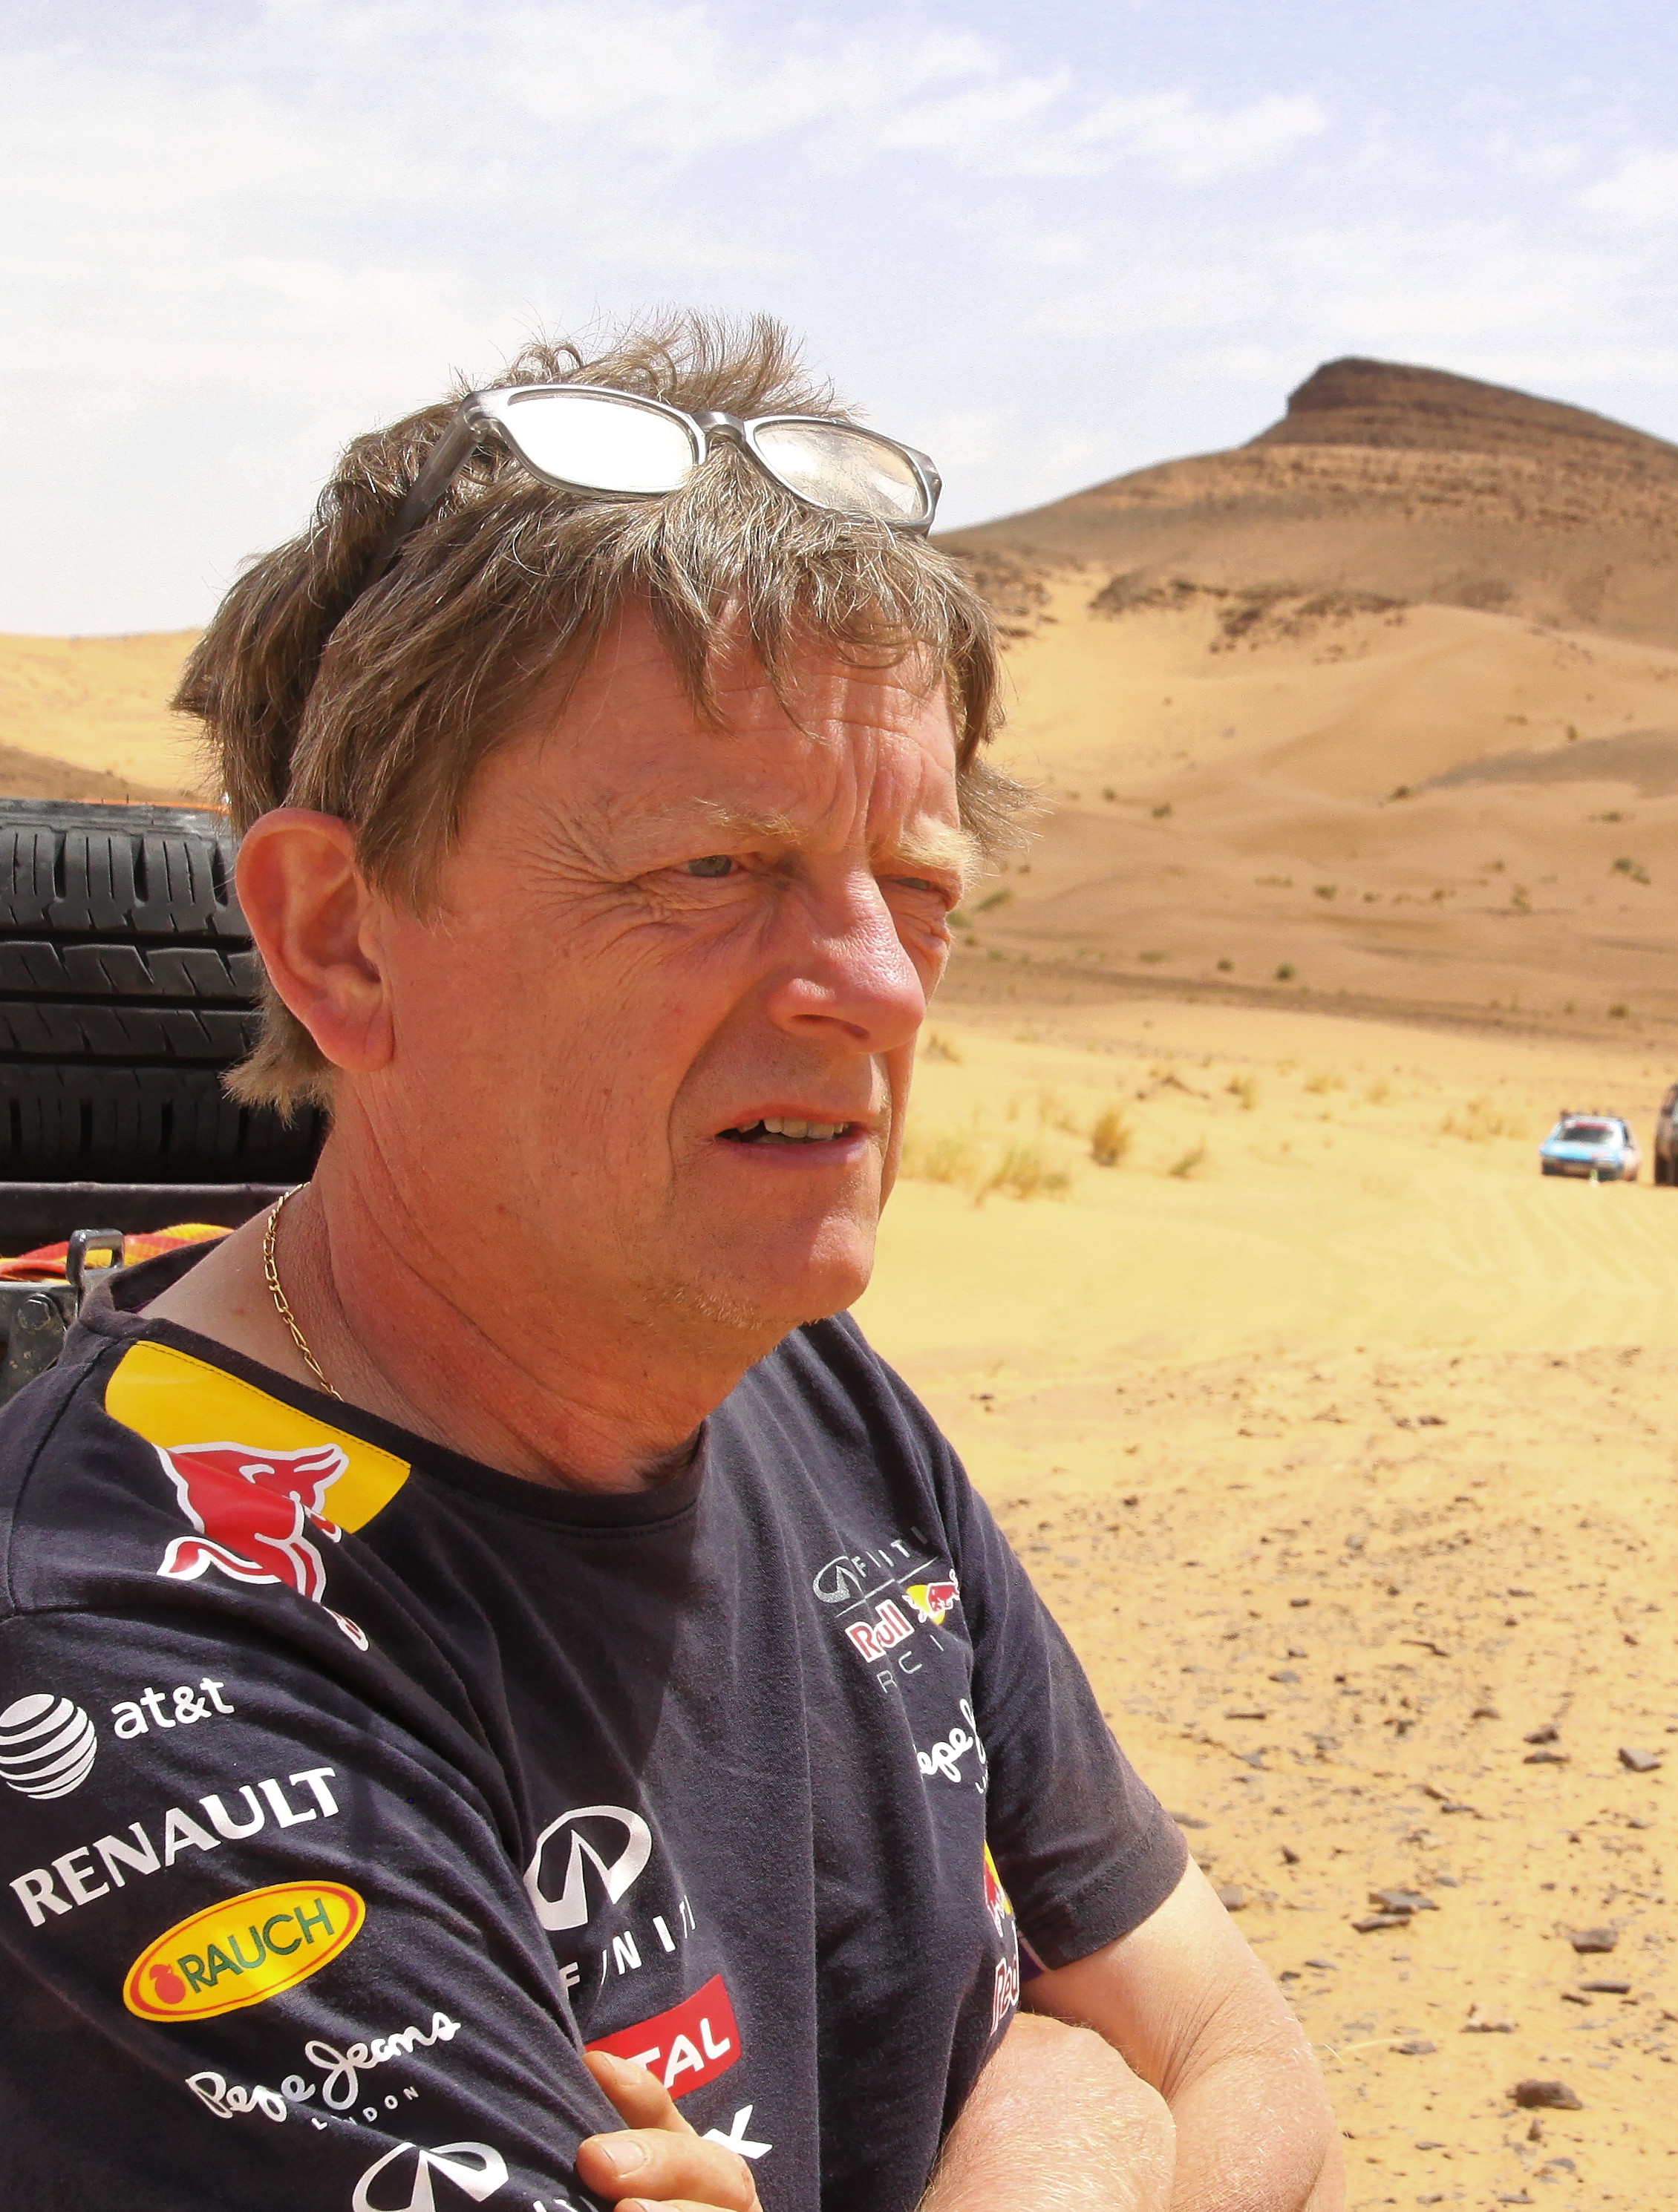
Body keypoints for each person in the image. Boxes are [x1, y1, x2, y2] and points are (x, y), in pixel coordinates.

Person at [0, 317, 1340, 2212]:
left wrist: (1086, 2111)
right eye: (713, 868)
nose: (877, 987)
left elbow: (1237, 2055)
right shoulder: (136, 1668)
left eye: (919, 888)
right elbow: (1154, 2071)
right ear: (341, 938)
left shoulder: (803, 1388)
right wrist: (1074, 2108)